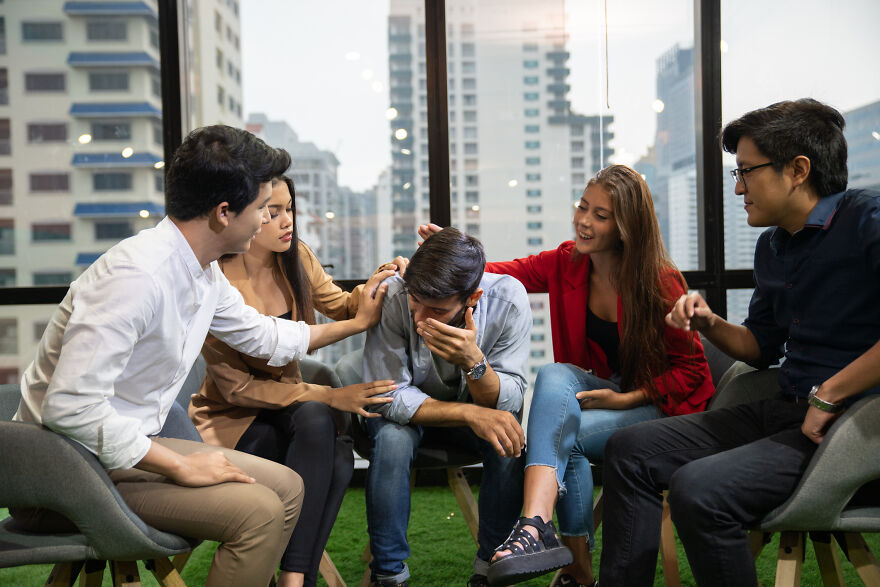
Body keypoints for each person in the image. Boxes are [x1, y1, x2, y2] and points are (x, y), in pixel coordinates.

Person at [13, 125, 390, 587]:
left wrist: (357, 322)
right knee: (259, 514)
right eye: (261, 210)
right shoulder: (137, 277)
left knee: (290, 487)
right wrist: (179, 464)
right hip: (63, 475)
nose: (266, 221)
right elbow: (69, 406)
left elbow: (265, 336)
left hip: (120, 452)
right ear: (223, 213)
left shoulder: (201, 272)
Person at [598, 99, 880, 587]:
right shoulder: (773, 245)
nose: (737, 187)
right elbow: (759, 348)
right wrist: (707, 322)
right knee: (629, 449)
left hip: (850, 427)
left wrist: (830, 392)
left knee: (699, 489)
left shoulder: (866, 219)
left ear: (798, 170)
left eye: (746, 172)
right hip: (788, 411)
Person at [419, 165, 713, 587]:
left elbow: (693, 372)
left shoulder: (660, 281)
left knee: (564, 433)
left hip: (661, 407)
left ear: (627, 224)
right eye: (582, 207)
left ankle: (564, 559)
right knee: (556, 377)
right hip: (604, 393)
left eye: (600, 215)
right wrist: (450, 258)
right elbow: (505, 271)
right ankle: (551, 541)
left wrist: (629, 399)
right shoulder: (568, 263)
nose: (584, 221)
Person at [189, 174, 400, 587]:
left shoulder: (296, 256)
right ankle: (294, 574)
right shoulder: (216, 279)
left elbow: (341, 305)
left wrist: (384, 277)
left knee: (323, 431)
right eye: (272, 211)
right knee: (331, 450)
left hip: (288, 403)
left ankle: (292, 577)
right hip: (232, 416)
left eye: (290, 209)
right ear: (246, 214)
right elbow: (238, 389)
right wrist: (331, 394)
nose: (286, 221)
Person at [358, 227, 531, 587]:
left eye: (436, 310)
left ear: (473, 298)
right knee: (392, 439)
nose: (420, 319)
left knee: (508, 439)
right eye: (415, 304)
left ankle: (489, 568)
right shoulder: (394, 295)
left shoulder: (508, 300)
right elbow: (391, 395)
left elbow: (510, 398)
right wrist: (468, 413)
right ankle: (389, 574)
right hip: (409, 419)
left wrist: (474, 361)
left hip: (473, 417)